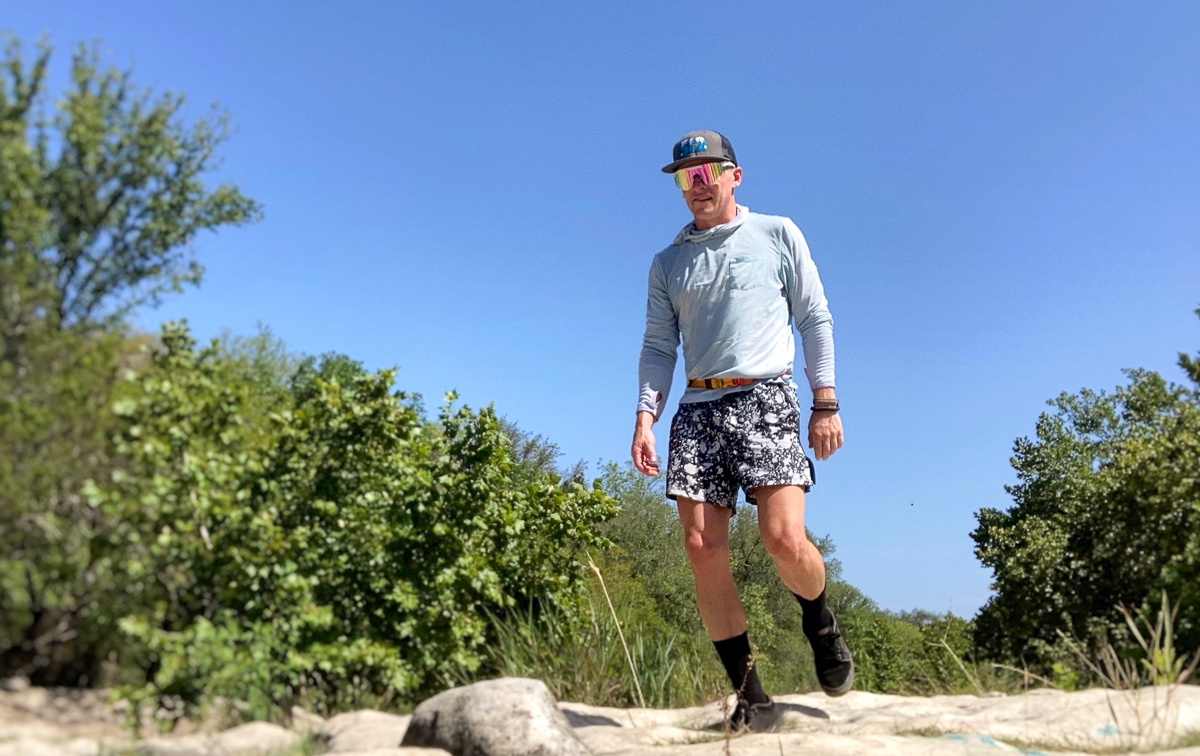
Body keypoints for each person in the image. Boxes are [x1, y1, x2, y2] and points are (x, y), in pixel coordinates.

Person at [631, 130, 852, 732]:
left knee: (784, 539)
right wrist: (644, 416)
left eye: (707, 173)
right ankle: (752, 695)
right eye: (685, 178)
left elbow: (814, 317)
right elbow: (658, 346)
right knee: (702, 550)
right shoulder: (668, 263)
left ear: (735, 175)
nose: (697, 187)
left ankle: (820, 621)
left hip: (766, 396)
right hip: (698, 410)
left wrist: (825, 402)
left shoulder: (777, 233)